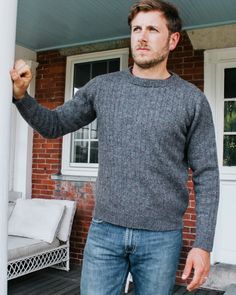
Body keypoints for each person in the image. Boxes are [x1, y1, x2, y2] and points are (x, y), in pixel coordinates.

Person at [10, 0, 219, 294]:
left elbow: (207, 174)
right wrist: (22, 97)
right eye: (136, 29)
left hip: (161, 238)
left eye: (152, 29)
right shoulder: (103, 87)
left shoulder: (191, 100)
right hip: (105, 232)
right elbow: (54, 125)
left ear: (173, 40)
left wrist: (203, 244)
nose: (142, 37)